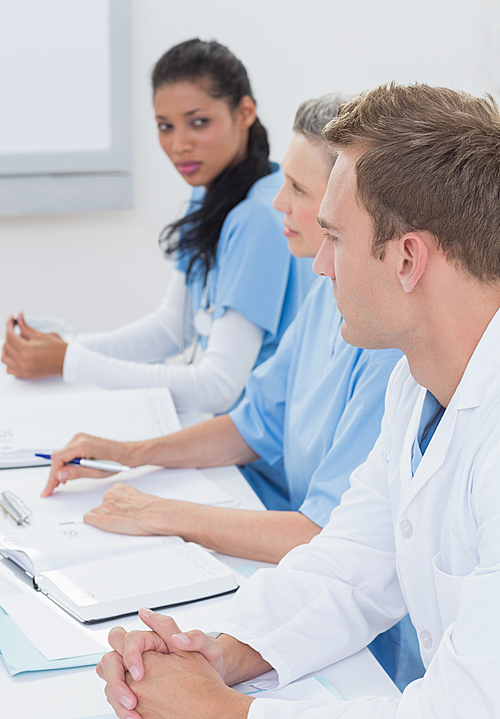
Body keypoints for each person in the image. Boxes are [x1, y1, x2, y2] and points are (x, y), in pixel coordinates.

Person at [96, 82, 500, 719]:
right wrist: (215, 655)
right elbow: (349, 566)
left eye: (335, 237)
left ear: (408, 259)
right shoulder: (417, 386)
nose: (319, 267)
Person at [41, 93, 421, 688]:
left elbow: (336, 541)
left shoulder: (387, 343)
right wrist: (131, 455)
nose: (279, 204)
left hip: (371, 648)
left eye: (299, 190)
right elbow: (253, 424)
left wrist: (164, 513)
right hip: (310, 585)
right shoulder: (331, 298)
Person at [1, 39, 314, 414]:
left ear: (245, 112)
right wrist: (63, 348)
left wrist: (69, 361)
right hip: (222, 433)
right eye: (165, 126)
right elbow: (171, 328)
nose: (179, 144)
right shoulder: (212, 194)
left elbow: (218, 386)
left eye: (199, 122)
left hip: (255, 454)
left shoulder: (259, 216)